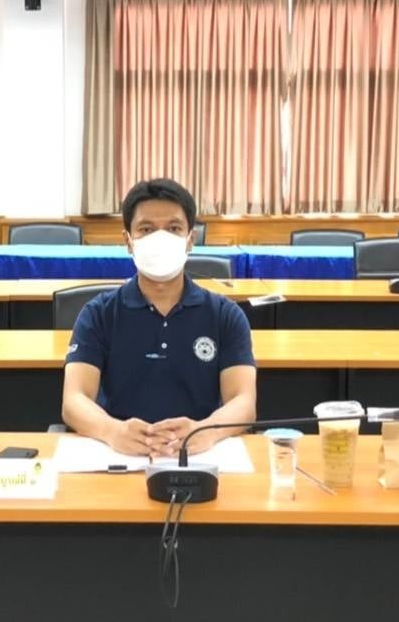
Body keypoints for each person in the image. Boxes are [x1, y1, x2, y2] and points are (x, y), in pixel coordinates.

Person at [62, 178, 257, 458]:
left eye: (174, 228)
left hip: (199, 455)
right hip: (118, 455)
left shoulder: (225, 315)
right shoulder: (99, 314)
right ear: (128, 242)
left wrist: (206, 431)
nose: (160, 238)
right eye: (146, 229)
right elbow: (73, 400)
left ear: (190, 240)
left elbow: (244, 401)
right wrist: (112, 431)